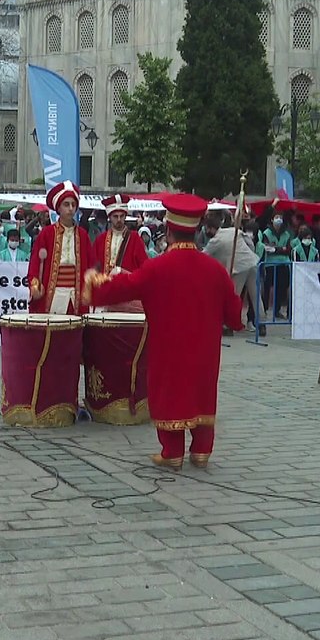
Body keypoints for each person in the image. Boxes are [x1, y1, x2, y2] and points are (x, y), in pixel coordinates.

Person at [85, 195, 242, 469]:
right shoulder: (216, 270)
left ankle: (172, 451)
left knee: (170, 392)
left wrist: (93, 282)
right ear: (197, 230)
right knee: (202, 391)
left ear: (168, 230)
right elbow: (236, 317)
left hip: (168, 350)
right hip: (205, 352)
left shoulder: (156, 268)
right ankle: (202, 450)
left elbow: (121, 287)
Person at [28, 181, 91, 315]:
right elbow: (34, 265)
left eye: (73, 205)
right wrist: (35, 286)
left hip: (76, 294)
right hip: (54, 294)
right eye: (66, 204)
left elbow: (91, 266)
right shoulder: (47, 233)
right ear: (58, 208)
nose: (70, 208)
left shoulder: (83, 235)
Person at [202, 214, 260, 336]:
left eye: (207, 228)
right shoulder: (233, 230)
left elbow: (203, 255)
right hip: (252, 262)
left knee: (233, 296)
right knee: (256, 295)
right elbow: (249, 242)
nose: (206, 231)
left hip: (238, 268)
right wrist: (250, 253)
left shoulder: (215, 240)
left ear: (211, 228)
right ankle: (262, 323)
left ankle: (229, 325)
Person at [93, 194, 148, 277]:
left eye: (121, 216)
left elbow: (144, 269)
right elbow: (93, 267)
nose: (119, 219)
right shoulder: (100, 240)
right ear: (110, 217)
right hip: (106, 287)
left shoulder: (135, 238)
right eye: (115, 216)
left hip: (127, 288)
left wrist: (123, 272)